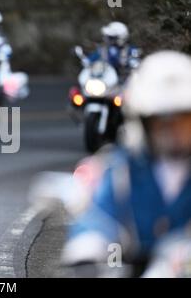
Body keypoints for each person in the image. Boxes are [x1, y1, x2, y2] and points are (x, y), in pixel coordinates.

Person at [62, 51, 191, 277]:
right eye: (162, 123)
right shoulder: (124, 170)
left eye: (184, 121)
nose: (174, 132)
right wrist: (88, 247)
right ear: (142, 122)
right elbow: (100, 215)